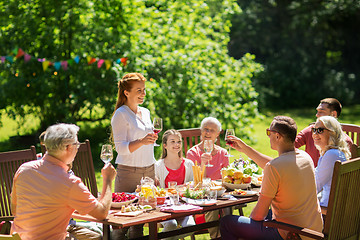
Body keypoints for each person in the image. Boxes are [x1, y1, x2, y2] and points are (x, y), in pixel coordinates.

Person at [220, 116, 323, 240]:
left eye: (269, 132)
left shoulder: (275, 167)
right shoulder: (305, 157)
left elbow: (258, 215)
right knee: (266, 216)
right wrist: (245, 148)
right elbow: (276, 165)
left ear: (278, 136)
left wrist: (251, 221)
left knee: (227, 223)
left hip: (291, 234)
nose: (268, 136)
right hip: (313, 230)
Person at [10, 123, 116, 240]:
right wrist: (107, 179)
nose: (77, 148)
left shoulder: (24, 169)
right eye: (76, 144)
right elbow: (102, 213)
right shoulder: (69, 182)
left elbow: (14, 210)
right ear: (68, 147)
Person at [111, 72, 157, 239]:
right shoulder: (120, 114)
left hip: (148, 171)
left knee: (140, 222)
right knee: (120, 223)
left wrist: (150, 141)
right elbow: (121, 149)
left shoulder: (145, 112)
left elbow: (146, 141)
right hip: (129, 173)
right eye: (139, 90)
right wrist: (142, 141)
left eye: (144, 90)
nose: (143, 94)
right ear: (126, 92)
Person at [186, 117, 229, 239]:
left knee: (229, 204)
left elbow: (226, 178)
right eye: (205, 129)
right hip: (202, 194)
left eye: (212, 130)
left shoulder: (223, 153)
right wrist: (203, 164)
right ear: (201, 131)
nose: (208, 133)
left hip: (221, 192)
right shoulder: (193, 153)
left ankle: (229, 235)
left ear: (218, 134)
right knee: (211, 204)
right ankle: (216, 237)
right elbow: (196, 182)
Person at [155, 129, 195, 240]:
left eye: (179, 142)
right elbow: (156, 191)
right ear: (165, 145)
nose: (176, 144)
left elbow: (193, 187)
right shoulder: (158, 166)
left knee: (191, 227)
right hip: (165, 207)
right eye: (172, 141)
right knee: (171, 225)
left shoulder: (188, 164)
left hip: (184, 205)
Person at [295, 98, 353, 167]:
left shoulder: (346, 141)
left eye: (321, 111)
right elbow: (290, 145)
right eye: (317, 111)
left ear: (334, 114)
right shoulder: (310, 131)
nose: (317, 115)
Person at [313, 116, 350, 207]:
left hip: (327, 211)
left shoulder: (331, 155)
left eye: (320, 130)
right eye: (314, 130)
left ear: (332, 133)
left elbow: (314, 187)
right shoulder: (335, 153)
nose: (315, 134)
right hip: (334, 208)